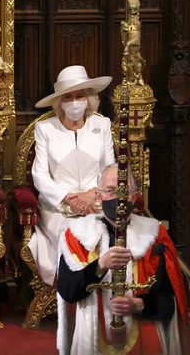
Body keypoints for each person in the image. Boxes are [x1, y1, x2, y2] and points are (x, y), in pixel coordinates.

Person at [56, 165, 188, 354]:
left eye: (124, 191)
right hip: (92, 340)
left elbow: (170, 301)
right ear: (99, 196)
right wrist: (100, 265)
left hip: (145, 340)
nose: (118, 198)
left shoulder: (154, 237)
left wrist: (140, 304)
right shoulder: (76, 236)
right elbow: (68, 291)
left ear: (134, 196)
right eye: (110, 191)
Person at [27, 65, 115, 286]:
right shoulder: (45, 128)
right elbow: (39, 175)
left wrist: (93, 195)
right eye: (68, 97)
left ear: (88, 99)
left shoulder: (102, 124)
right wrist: (69, 197)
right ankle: (75, 293)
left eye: (79, 96)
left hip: (96, 204)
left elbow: (110, 169)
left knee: (103, 236)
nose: (75, 102)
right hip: (57, 208)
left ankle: (101, 297)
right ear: (59, 102)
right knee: (73, 237)